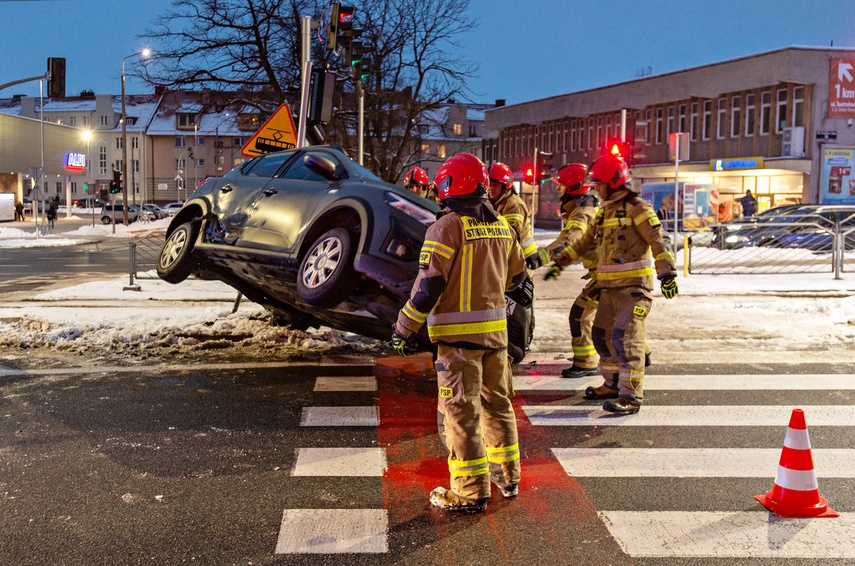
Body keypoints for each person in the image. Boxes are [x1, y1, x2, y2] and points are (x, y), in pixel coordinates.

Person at [390, 153, 526, 513]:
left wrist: (403, 328)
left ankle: (469, 492)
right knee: (498, 406)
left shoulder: (447, 228)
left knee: (461, 415)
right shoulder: (501, 226)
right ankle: (507, 478)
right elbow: (517, 277)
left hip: (458, 344)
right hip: (497, 341)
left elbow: (428, 287)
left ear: (450, 187)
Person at [557, 154, 677, 415]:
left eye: (599, 184)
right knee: (602, 337)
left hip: (634, 291)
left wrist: (667, 273)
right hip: (608, 290)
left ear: (614, 183)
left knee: (626, 339)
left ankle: (631, 396)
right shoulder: (605, 212)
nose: (596, 189)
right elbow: (584, 243)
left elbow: (660, 240)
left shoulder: (638, 208)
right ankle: (611, 384)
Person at [525, 163, 600, 378]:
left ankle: (586, 363)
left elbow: (569, 241)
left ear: (573, 187)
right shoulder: (582, 208)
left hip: (608, 275)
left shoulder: (583, 213)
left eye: (561, 185)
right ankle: (643, 354)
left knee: (580, 315)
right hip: (606, 273)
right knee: (613, 319)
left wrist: (539, 259)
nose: (558, 189)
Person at [486, 162, 538, 263]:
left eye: (495, 184)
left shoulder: (514, 206)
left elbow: (508, 237)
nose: (490, 187)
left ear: (505, 186)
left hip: (522, 260)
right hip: (511, 259)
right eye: (489, 184)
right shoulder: (494, 202)